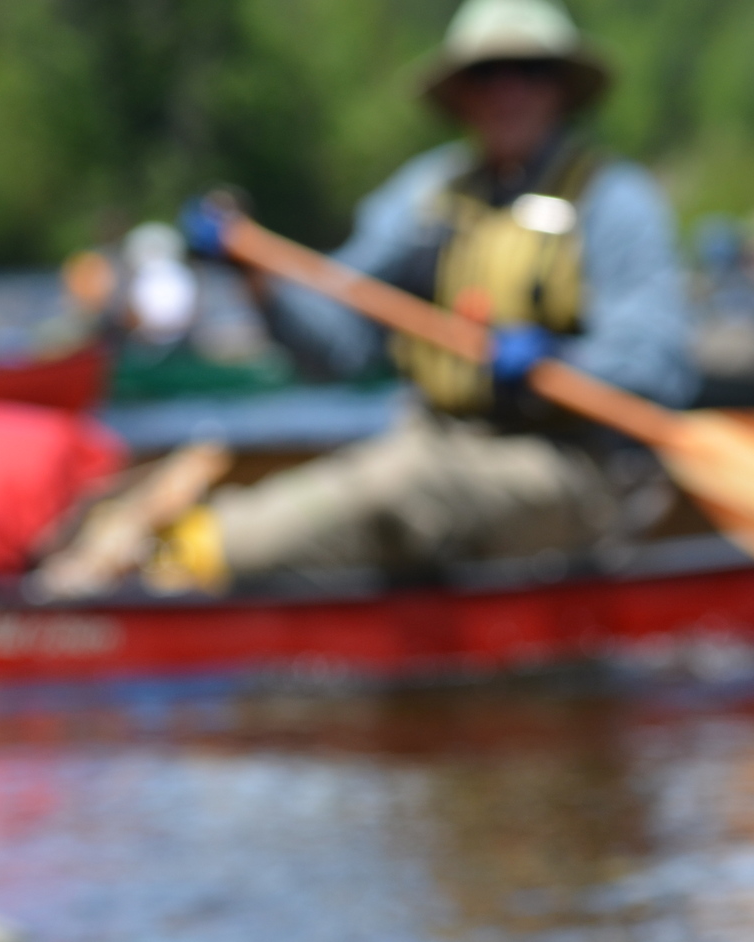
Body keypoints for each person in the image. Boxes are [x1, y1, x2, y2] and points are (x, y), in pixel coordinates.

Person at [159, 0, 688, 591]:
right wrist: (257, 277)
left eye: (530, 71)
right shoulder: (427, 196)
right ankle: (188, 560)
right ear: (463, 94)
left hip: (571, 467)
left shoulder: (614, 200)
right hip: (437, 443)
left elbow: (658, 365)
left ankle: (207, 554)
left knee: (401, 484)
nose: (507, 90)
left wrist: (562, 363)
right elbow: (341, 341)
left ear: (560, 88)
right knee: (397, 473)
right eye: (487, 74)